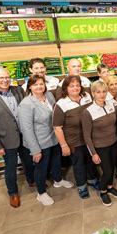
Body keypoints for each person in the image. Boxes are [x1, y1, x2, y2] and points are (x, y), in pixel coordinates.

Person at [0, 67, 34, 208]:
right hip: (6, 140)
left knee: (28, 160)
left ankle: (31, 179)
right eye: (0, 78)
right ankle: (13, 193)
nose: (5, 80)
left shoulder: (18, 90)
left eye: (7, 77)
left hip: (24, 135)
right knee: (11, 167)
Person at [18, 75, 73, 206]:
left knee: (56, 161)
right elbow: (26, 129)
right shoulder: (26, 104)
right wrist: (35, 150)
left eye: (41, 84)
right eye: (35, 84)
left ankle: (58, 180)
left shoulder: (48, 95)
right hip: (40, 142)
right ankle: (41, 193)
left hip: (54, 137)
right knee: (41, 168)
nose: (39, 87)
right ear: (30, 86)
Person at [53, 76, 98, 199]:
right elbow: (57, 127)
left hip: (90, 138)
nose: (75, 88)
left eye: (77, 85)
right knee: (79, 164)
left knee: (91, 161)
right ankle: (82, 186)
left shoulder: (87, 97)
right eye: (71, 86)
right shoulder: (61, 104)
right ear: (65, 88)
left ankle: (93, 180)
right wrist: (64, 145)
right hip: (74, 141)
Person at [82, 81, 117, 207]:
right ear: (93, 93)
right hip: (100, 146)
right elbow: (87, 136)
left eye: (104, 91)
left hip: (113, 143)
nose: (102, 94)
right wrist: (93, 153)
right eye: (98, 92)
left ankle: (110, 187)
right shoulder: (88, 112)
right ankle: (103, 191)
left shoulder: (111, 104)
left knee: (113, 168)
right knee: (107, 170)